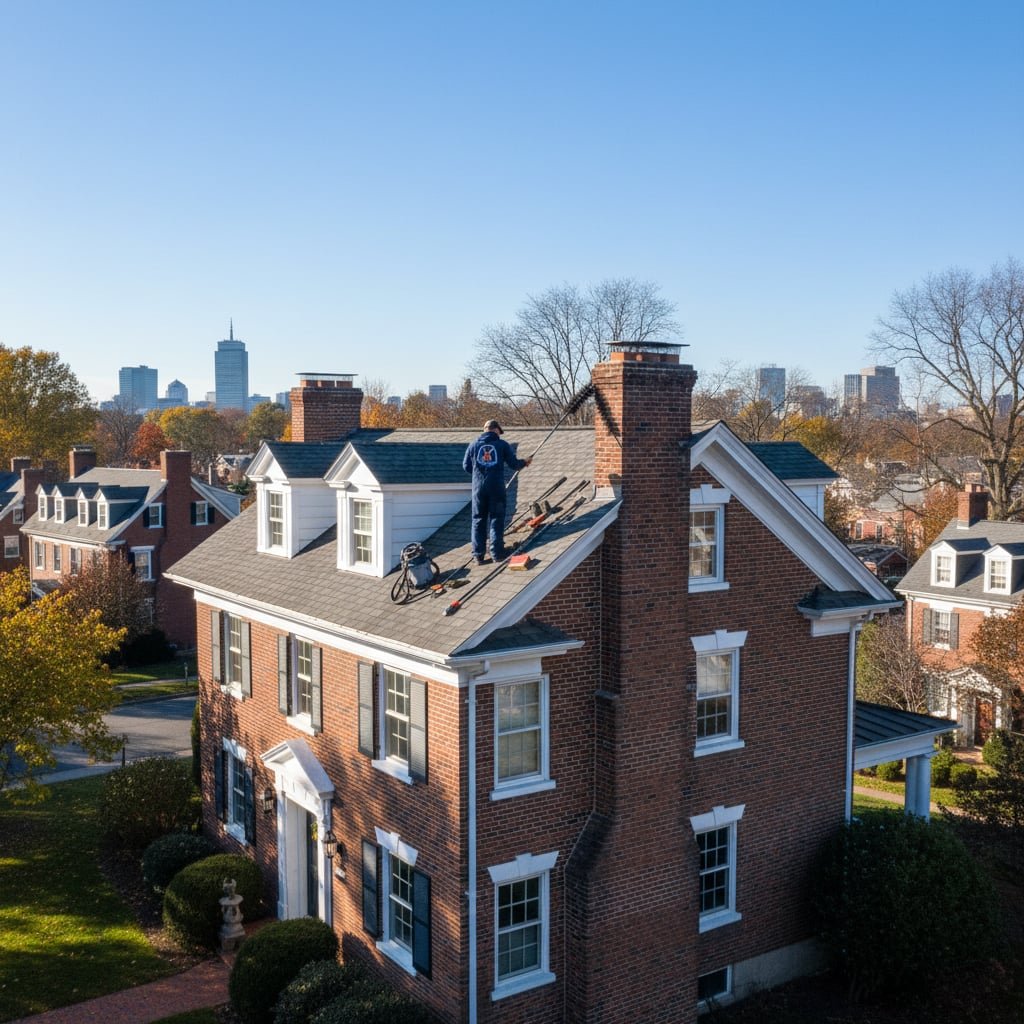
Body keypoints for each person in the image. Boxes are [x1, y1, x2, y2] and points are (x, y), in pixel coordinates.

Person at [463, 419, 531, 564]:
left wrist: (478, 473)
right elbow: (514, 464)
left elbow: (466, 466)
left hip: (478, 489)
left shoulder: (473, 445)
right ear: (496, 430)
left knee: (478, 519)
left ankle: (478, 555)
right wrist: (525, 462)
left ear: (485, 429)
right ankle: (496, 553)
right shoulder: (502, 445)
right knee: (496, 518)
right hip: (496, 487)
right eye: (499, 432)